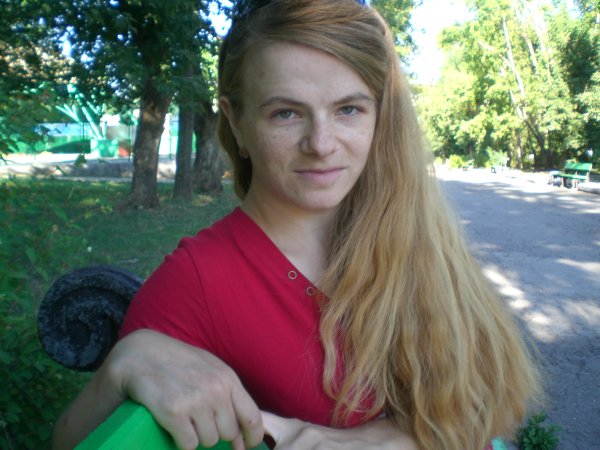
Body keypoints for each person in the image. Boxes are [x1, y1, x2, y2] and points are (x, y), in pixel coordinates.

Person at [52, 1, 542, 449]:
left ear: (378, 115)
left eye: (348, 109)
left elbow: (500, 407)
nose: (322, 144)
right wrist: (120, 367)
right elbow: (75, 442)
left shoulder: (415, 234)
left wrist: (388, 440)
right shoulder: (198, 281)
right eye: (286, 113)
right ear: (237, 121)